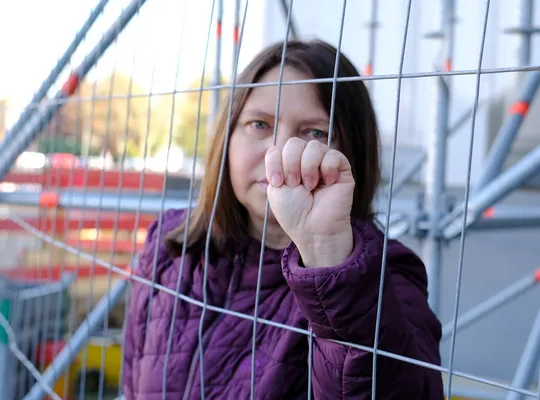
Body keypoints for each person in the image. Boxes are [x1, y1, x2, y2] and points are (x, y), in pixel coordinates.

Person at [122, 39, 443, 399]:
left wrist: (327, 256)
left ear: (352, 151)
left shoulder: (381, 278)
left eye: (314, 133)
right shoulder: (172, 243)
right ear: (227, 137)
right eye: (259, 124)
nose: (278, 152)